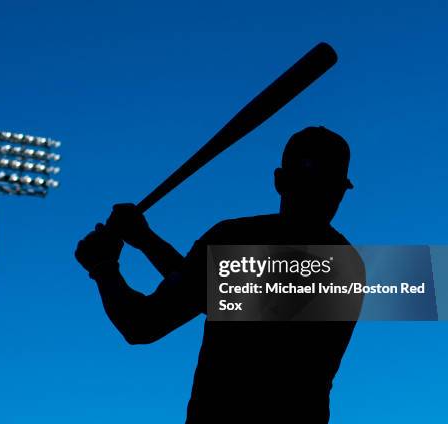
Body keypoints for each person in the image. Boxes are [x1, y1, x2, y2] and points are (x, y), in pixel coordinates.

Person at [75, 126, 364, 423]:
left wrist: (104, 267)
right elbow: (211, 292)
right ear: (342, 191)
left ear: (279, 180)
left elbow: (143, 324)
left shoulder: (235, 237)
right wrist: (146, 240)